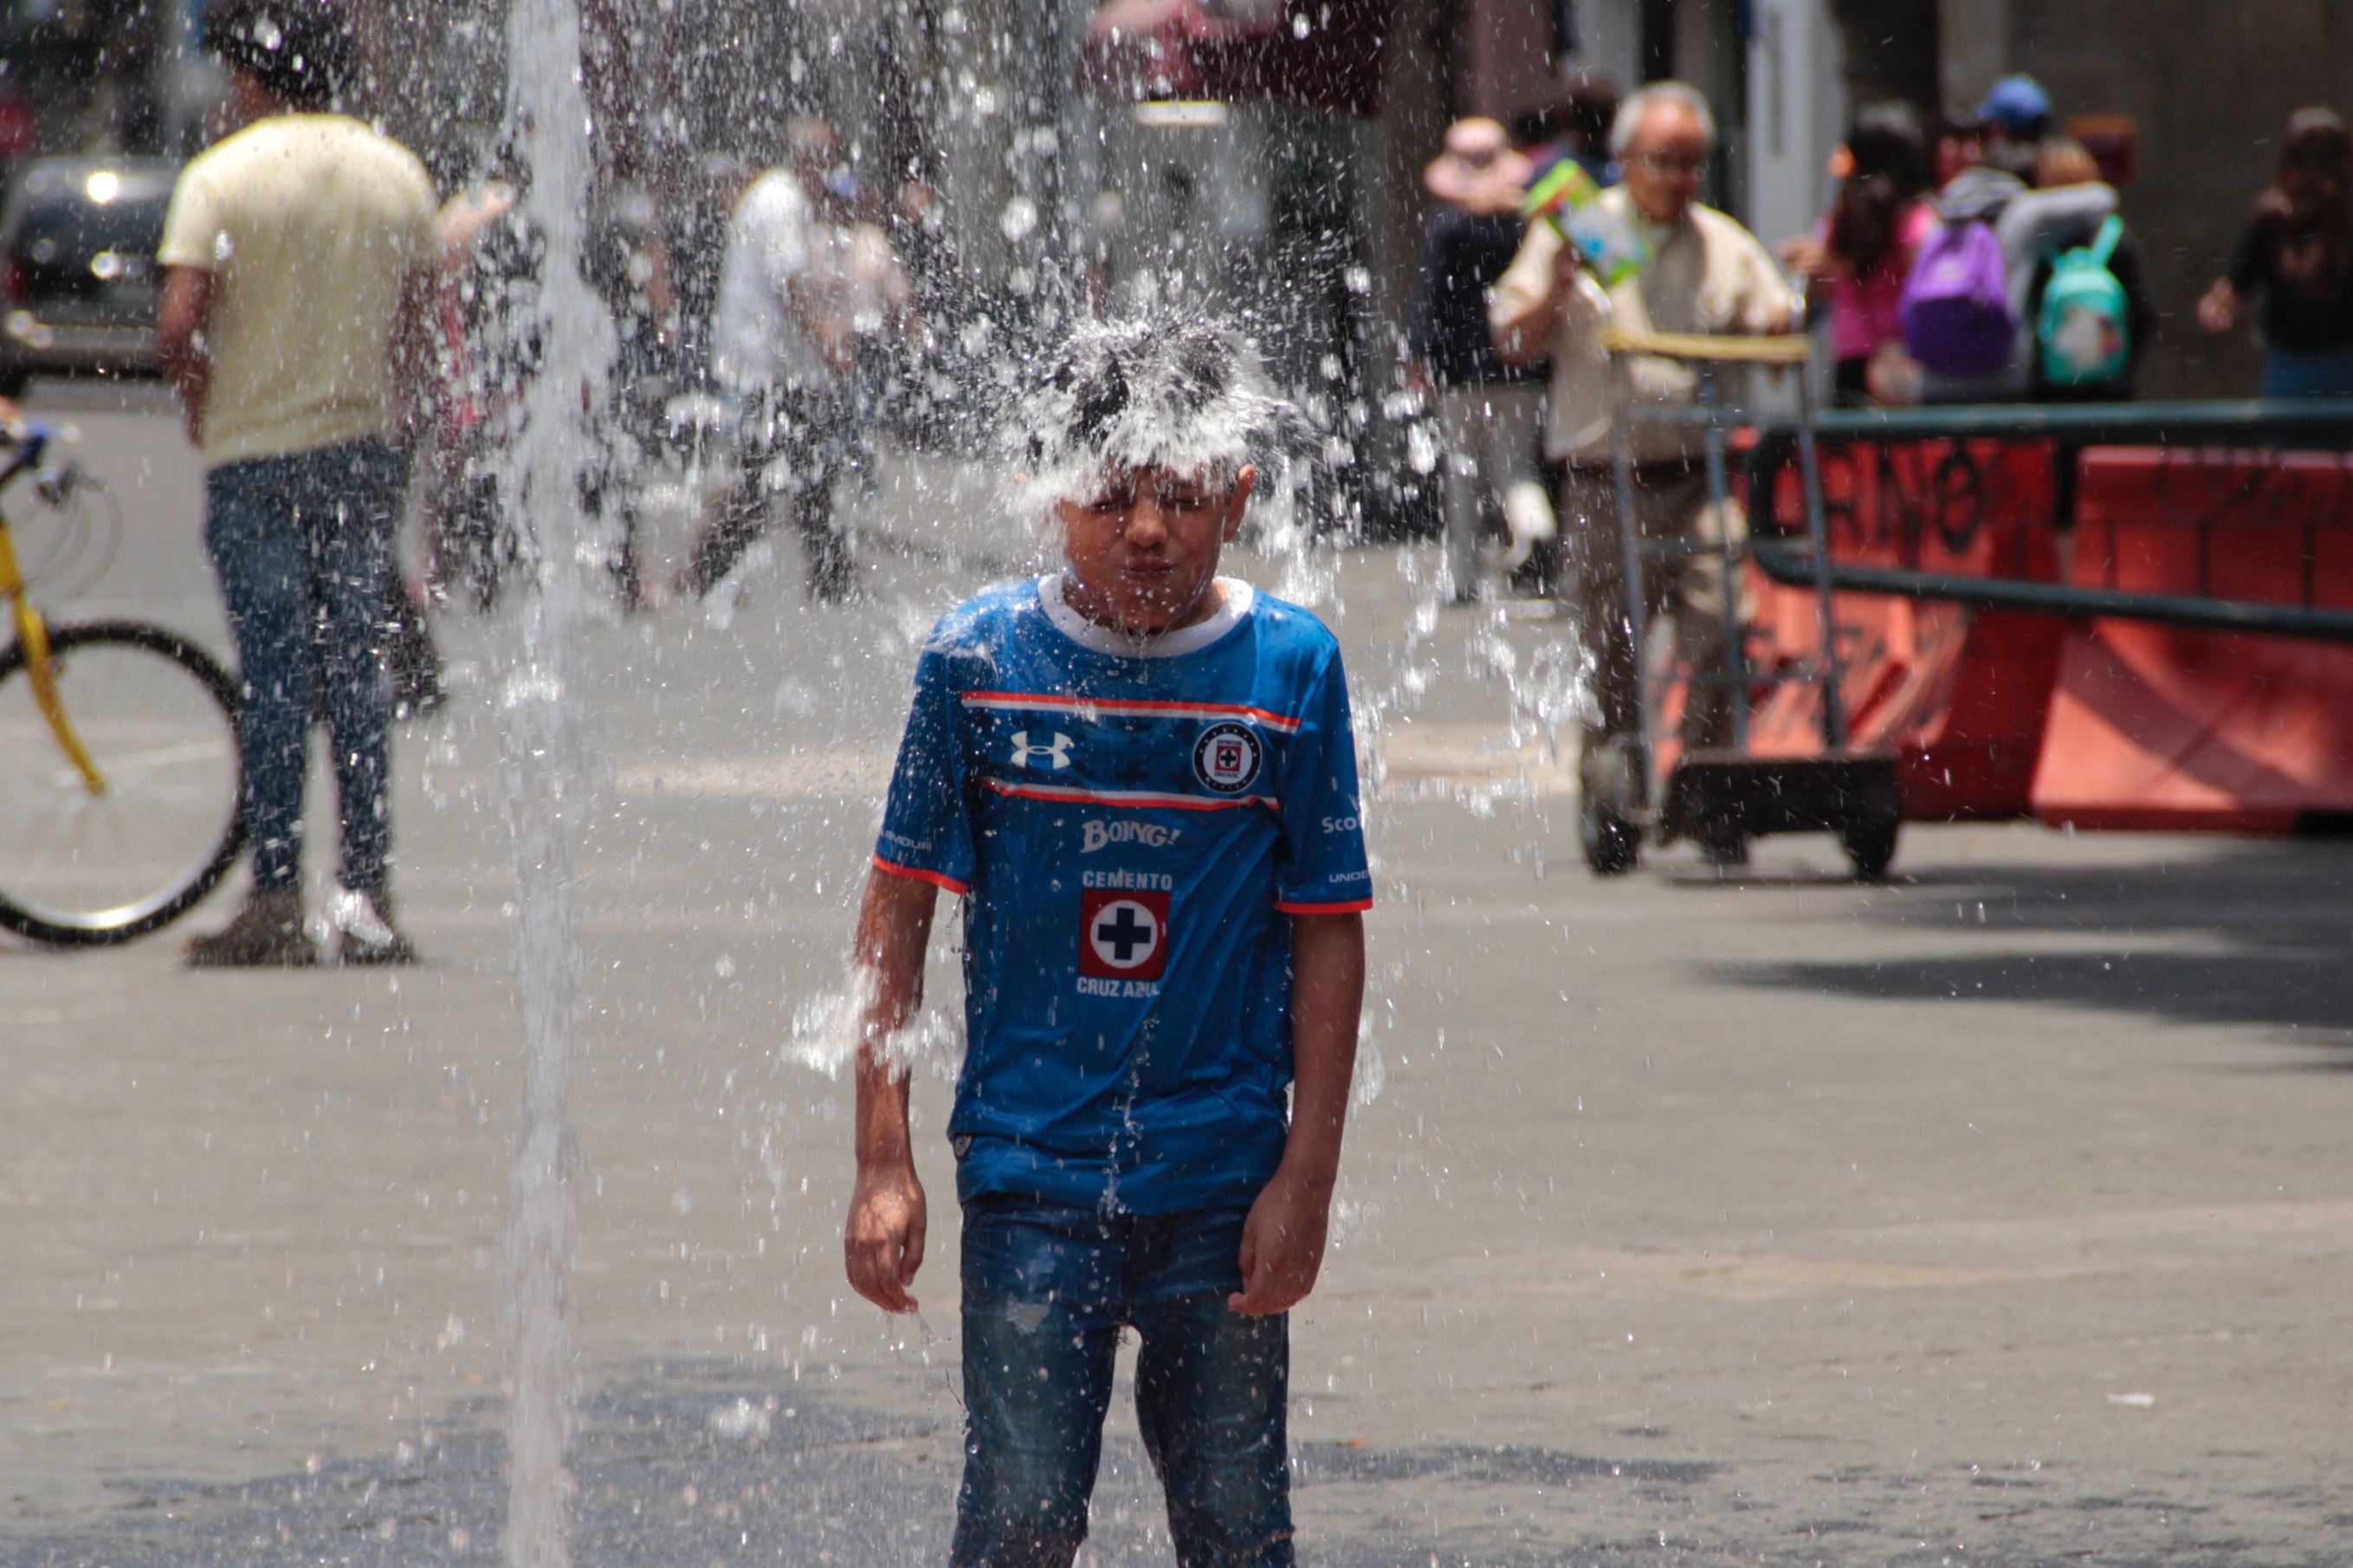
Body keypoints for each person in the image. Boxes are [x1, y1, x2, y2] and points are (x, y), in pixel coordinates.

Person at [843, 316, 1370, 1568]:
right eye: (1110, 496)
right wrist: (881, 1156)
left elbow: (1330, 935)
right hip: (1031, 1170)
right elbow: (897, 907)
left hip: (1223, 1176)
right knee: (1022, 1512)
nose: (1145, 532)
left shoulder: (1289, 668)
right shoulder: (978, 663)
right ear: (1048, 491)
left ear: (1237, 498)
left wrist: (1306, 1176)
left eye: (1181, 497)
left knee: (1239, 1521)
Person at [158, 0, 437, 966]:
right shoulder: (395, 174)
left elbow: (177, 320)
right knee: (356, 679)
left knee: (273, 682)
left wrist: (203, 406)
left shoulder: (221, 178)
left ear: (250, 81)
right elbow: (416, 330)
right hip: (362, 452)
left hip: (253, 458)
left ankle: (274, 899)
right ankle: (368, 899)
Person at [1489, 80, 1800, 863]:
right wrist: (1556, 280)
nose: (1679, 179)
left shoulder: (1720, 240)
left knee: (1722, 623)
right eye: (1664, 161)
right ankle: (1615, 798)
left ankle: (1707, 789)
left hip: (1697, 474)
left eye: (1693, 164)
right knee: (1610, 651)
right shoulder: (1581, 229)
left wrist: (1784, 314)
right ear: (1624, 159)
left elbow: (1773, 315)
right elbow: (1511, 337)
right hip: (1604, 479)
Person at [681, 118, 912, 603]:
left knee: (795, 472)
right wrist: (829, 337)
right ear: (806, 158)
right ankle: (712, 575)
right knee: (777, 476)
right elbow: (788, 284)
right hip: (768, 367)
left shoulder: (779, 197)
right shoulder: (784, 201)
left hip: (770, 364)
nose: (830, 172)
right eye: (826, 160)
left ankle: (818, 577)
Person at [1408, 117, 1552, 602]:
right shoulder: (1525, 223)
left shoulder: (1450, 226)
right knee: (1517, 466)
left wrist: (1418, 354)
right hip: (1521, 363)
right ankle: (1534, 525)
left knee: (1463, 475)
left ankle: (1465, 579)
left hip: (1460, 369)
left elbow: (1430, 296)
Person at [1781, 103, 1937, 406]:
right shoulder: (1921, 221)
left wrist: (1825, 270)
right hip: (1905, 363)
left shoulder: (1837, 223)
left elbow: (1825, 296)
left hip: (1850, 365)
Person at [2200, 107, 2353, 399]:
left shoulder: (2344, 219)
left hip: (2334, 357)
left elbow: (2233, 289)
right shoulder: (2273, 220)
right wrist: (2217, 307)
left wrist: (2218, 305)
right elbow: (2237, 284)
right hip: (2293, 360)